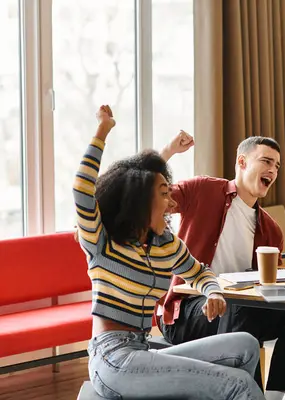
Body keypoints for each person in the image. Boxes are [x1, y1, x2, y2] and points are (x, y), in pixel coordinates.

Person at [75, 106, 264, 400]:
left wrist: (213, 292)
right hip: (112, 359)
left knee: (246, 345)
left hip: (142, 347)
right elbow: (82, 189)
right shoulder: (102, 241)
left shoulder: (165, 245)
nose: (171, 202)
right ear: (140, 200)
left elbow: (199, 271)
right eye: (164, 193)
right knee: (237, 384)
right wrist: (102, 131)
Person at [155, 131, 285, 400]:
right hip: (188, 310)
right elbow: (150, 196)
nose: (272, 170)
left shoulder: (271, 229)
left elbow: (273, 283)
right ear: (241, 162)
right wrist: (168, 152)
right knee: (241, 307)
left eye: (277, 166)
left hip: (237, 311)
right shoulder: (202, 190)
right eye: (266, 161)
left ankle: (275, 396)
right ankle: (250, 396)